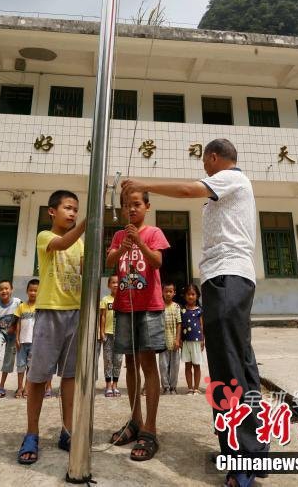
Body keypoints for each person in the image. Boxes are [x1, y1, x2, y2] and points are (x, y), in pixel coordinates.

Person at [121, 138, 267, 487]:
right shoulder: (230, 188)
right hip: (230, 278)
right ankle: (252, 450)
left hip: (227, 278)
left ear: (215, 158)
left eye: (205, 162)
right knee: (241, 362)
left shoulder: (232, 178)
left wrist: (143, 183)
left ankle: (241, 459)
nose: (204, 169)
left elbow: (188, 189)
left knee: (227, 366)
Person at [17, 190, 85, 465]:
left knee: (69, 377)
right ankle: (31, 433)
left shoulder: (82, 243)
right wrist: (88, 222)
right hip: (50, 313)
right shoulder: (45, 236)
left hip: (76, 314)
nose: (72, 213)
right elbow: (63, 243)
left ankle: (67, 431)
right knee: (38, 377)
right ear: (52, 212)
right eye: (68, 208)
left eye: (76, 210)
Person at [106, 189, 169, 462]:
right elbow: (109, 261)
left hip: (149, 307)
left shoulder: (154, 232)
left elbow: (156, 261)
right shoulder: (119, 236)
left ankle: (150, 429)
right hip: (124, 307)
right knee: (130, 364)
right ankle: (135, 421)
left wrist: (140, 244)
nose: (130, 209)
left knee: (148, 365)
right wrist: (123, 247)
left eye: (136, 204)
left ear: (147, 206)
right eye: (125, 206)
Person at [14, 278, 39, 398]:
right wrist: (17, 338)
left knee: (30, 366)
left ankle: (27, 388)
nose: (33, 293)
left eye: (36, 291)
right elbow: (18, 323)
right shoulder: (21, 306)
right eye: (31, 290)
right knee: (20, 365)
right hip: (22, 342)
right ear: (27, 291)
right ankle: (19, 387)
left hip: (34, 343)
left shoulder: (40, 308)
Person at [180, 283, 204, 395]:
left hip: (196, 341)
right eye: (188, 294)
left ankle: (196, 388)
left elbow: (202, 325)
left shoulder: (199, 310)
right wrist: (179, 339)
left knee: (196, 365)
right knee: (187, 365)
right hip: (185, 341)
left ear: (197, 296)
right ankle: (190, 388)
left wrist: (203, 339)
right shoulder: (182, 310)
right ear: (185, 296)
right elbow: (179, 325)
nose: (190, 296)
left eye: (193, 294)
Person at [158, 282, 181, 394]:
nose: (168, 293)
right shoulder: (159, 306)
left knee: (175, 365)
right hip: (162, 342)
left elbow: (179, 324)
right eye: (166, 291)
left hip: (174, 341)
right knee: (163, 366)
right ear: (162, 292)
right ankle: (166, 387)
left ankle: (173, 386)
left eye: (170, 291)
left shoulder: (176, 307)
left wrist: (177, 339)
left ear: (174, 293)